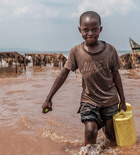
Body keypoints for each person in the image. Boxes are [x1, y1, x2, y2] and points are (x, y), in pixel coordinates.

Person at [42, 11, 127, 145]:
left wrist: (122, 100)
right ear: (79, 30)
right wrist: (48, 98)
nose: (90, 33)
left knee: (111, 136)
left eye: (94, 29)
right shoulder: (76, 51)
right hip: (89, 100)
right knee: (90, 131)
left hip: (110, 99)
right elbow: (63, 74)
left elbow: (116, 75)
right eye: (85, 30)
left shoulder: (110, 50)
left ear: (101, 29)